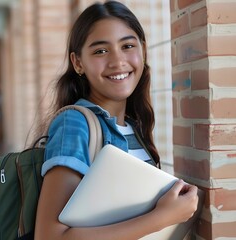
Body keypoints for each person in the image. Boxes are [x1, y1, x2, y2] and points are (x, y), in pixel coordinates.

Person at [35, 1, 199, 239]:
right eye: (101, 51)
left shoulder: (134, 127)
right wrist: (162, 218)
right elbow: (50, 236)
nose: (117, 61)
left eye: (128, 46)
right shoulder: (75, 124)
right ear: (78, 62)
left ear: (142, 49)